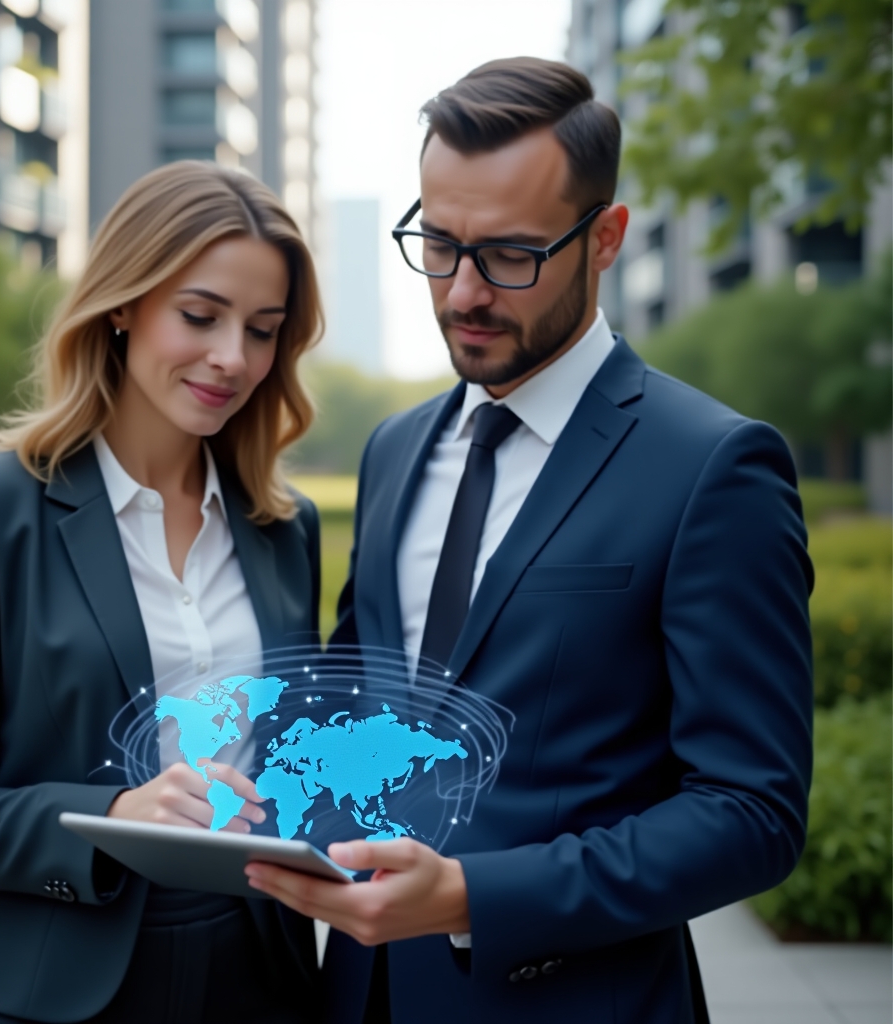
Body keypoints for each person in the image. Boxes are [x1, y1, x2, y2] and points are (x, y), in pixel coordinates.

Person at [243, 58, 814, 1024]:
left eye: (510, 255)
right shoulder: (393, 450)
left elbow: (751, 813)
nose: (463, 292)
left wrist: (473, 898)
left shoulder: (716, 466)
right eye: (438, 243)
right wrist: (238, 787)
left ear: (607, 239)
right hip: (359, 999)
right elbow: (355, 707)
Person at [0, 161, 324, 1024]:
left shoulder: (283, 529)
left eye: (263, 330)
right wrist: (113, 814)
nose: (232, 358)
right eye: (200, 315)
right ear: (123, 303)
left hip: (260, 981)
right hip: (55, 990)